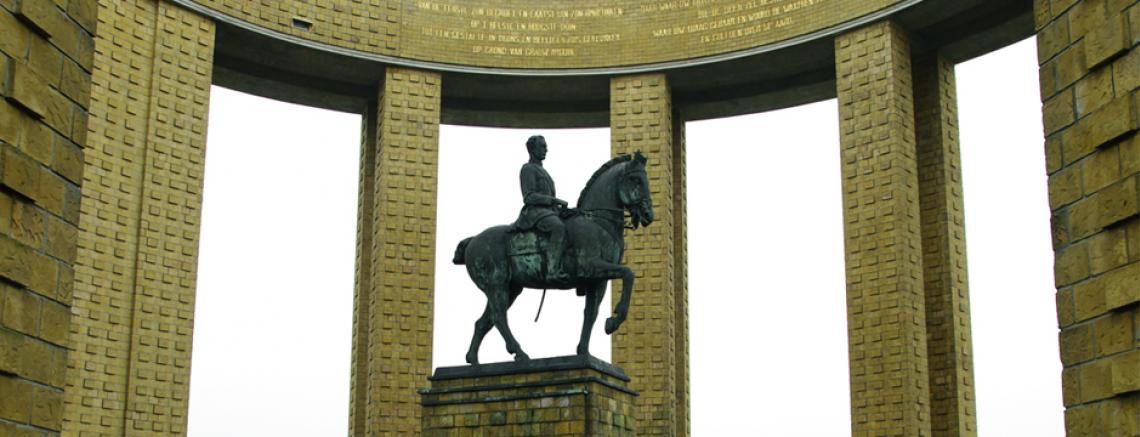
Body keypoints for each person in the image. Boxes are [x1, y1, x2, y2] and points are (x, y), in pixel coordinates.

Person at [511, 135, 570, 282]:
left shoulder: (543, 171)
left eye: (546, 146)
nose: (546, 150)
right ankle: (553, 270)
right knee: (558, 228)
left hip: (549, 211)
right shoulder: (528, 169)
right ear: (532, 149)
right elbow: (529, 196)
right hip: (535, 213)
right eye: (542, 146)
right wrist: (554, 200)